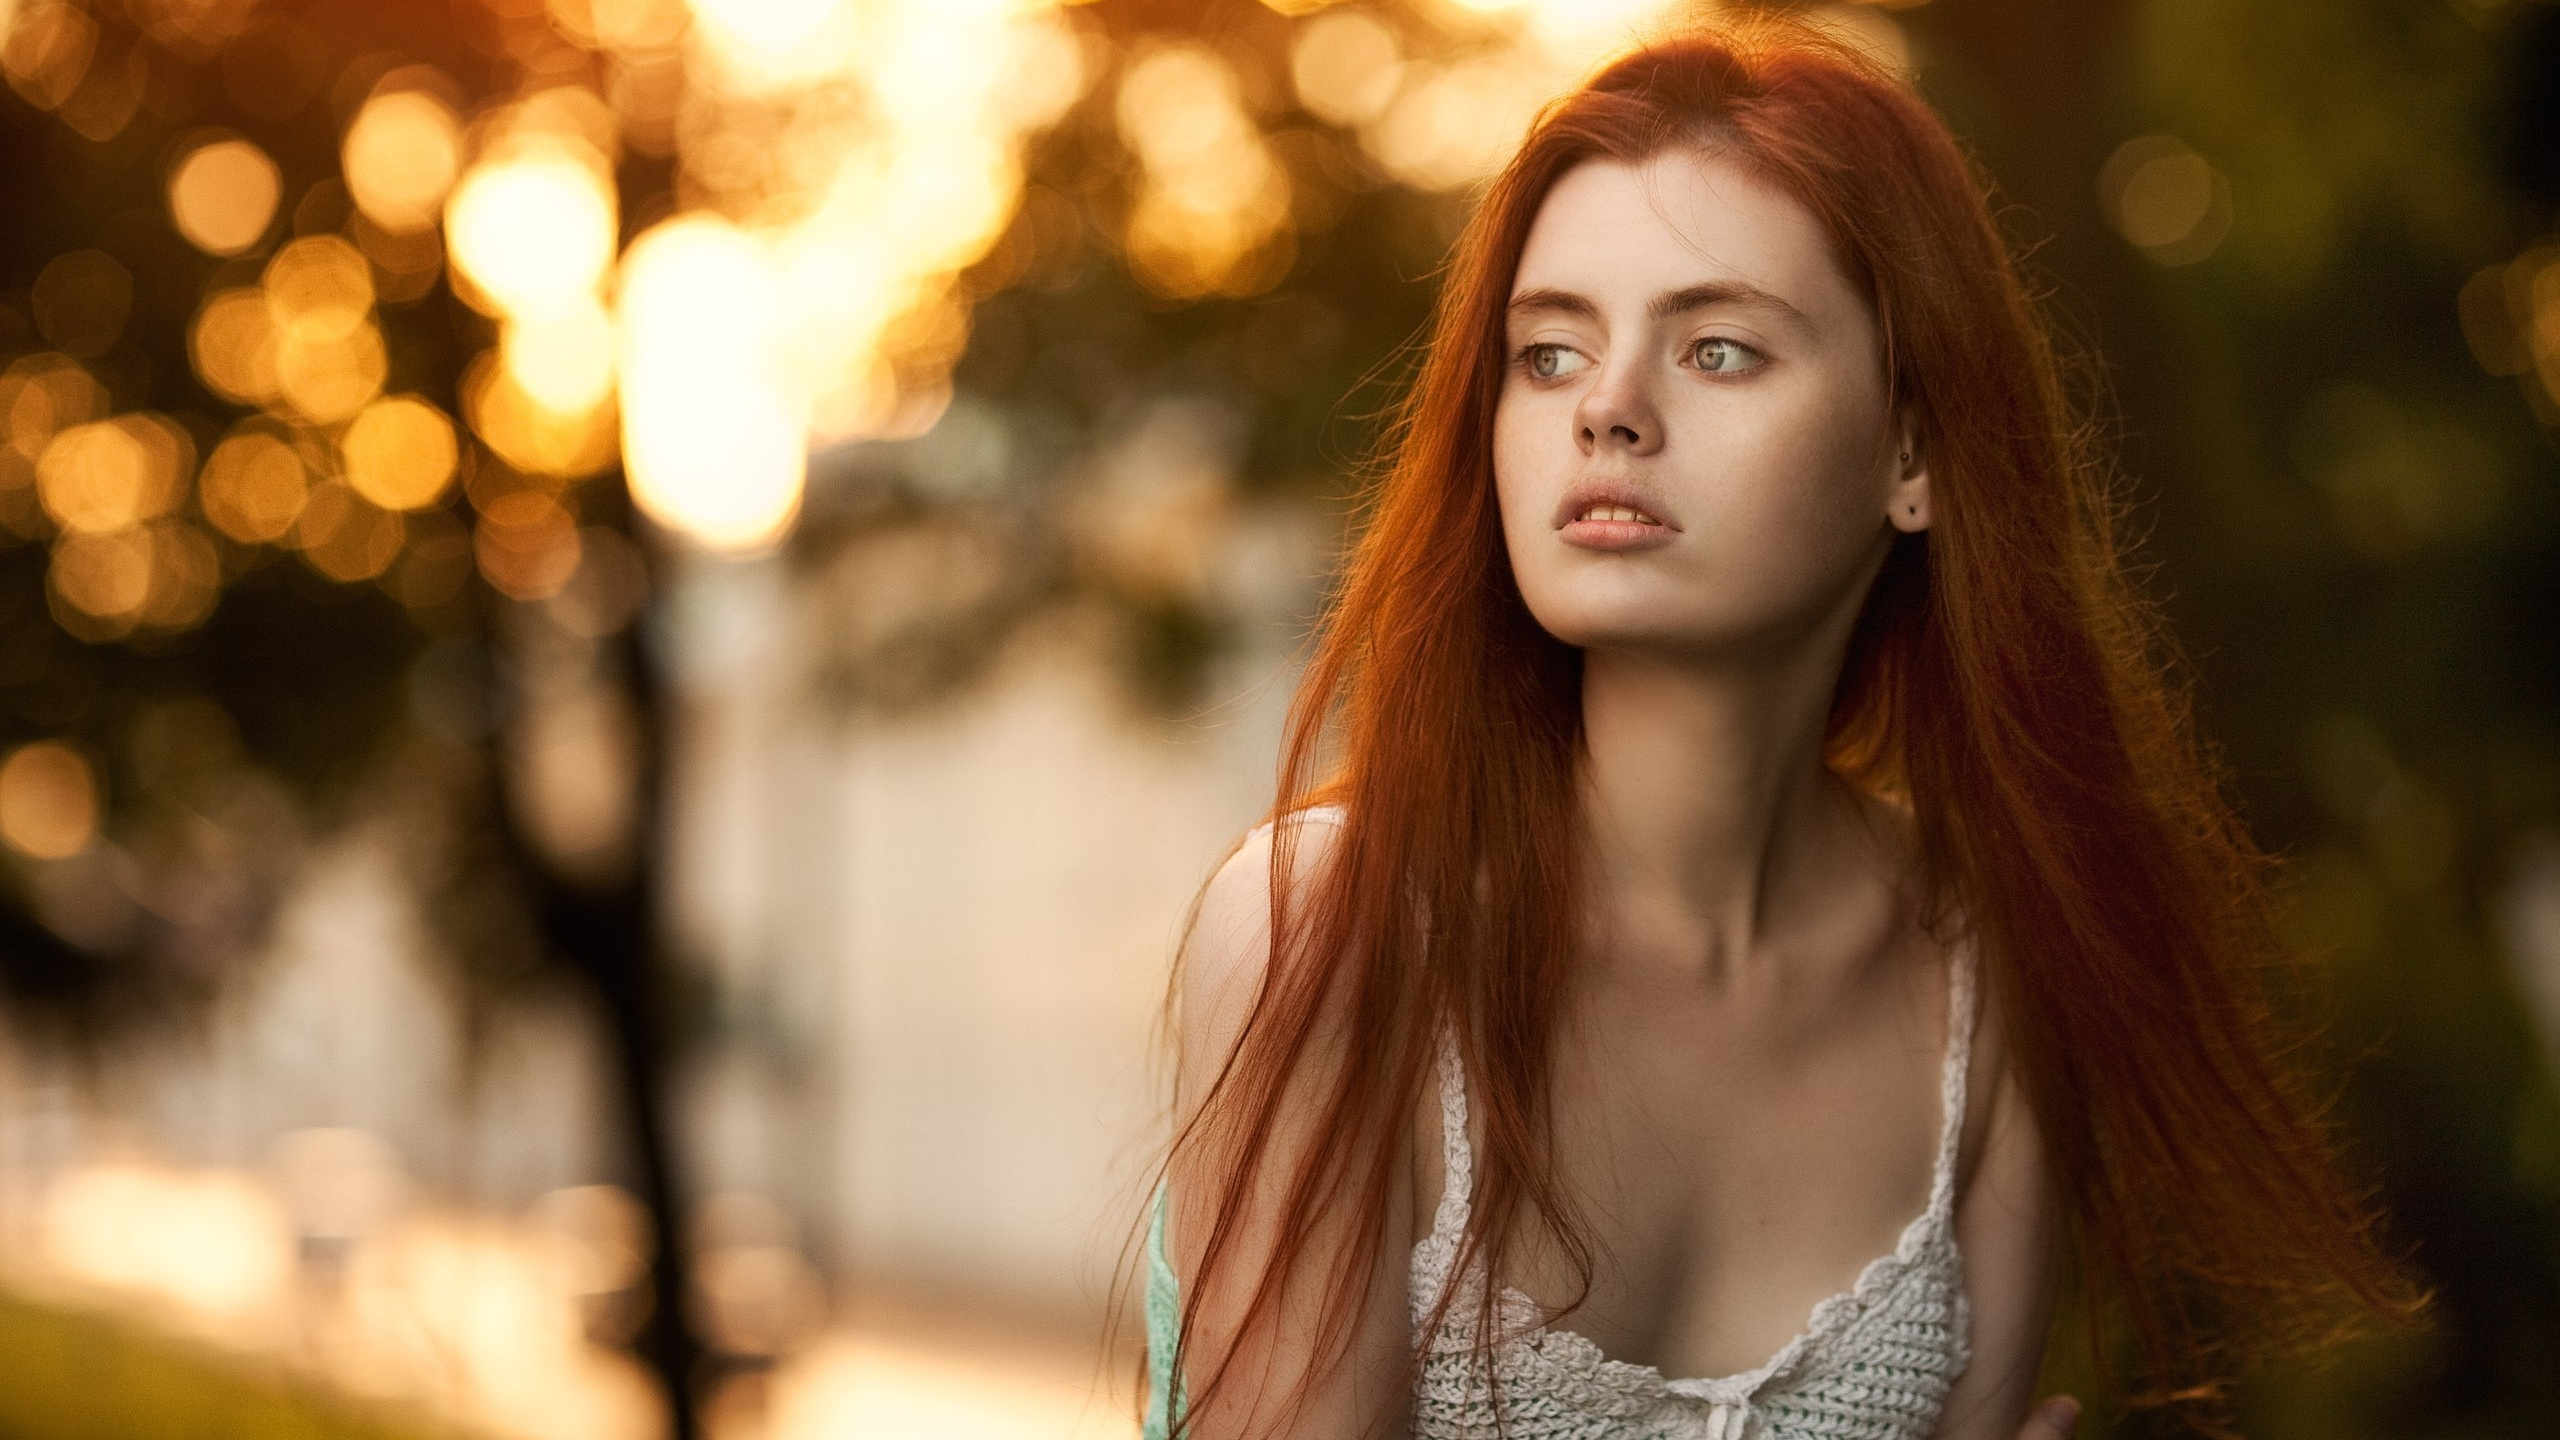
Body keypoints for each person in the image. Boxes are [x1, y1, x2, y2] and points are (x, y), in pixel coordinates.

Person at [1140, 17, 2424, 1440]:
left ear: (1913, 452)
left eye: (1721, 349)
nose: (1610, 412)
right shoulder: (1329, 932)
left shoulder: (1985, 985)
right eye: (1550, 353)